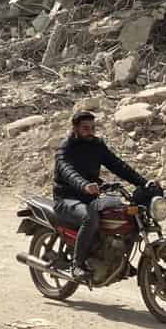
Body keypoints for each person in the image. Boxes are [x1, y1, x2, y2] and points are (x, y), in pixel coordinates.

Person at [53, 110, 149, 275]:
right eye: (85, 128)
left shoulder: (96, 145)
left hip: (91, 196)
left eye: (92, 127)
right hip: (67, 198)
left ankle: (120, 260)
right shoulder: (65, 148)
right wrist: (84, 185)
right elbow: (68, 172)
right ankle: (77, 264)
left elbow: (118, 165)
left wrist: (144, 183)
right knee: (89, 218)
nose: (90, 131)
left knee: (125, 211)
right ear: (75, 128)